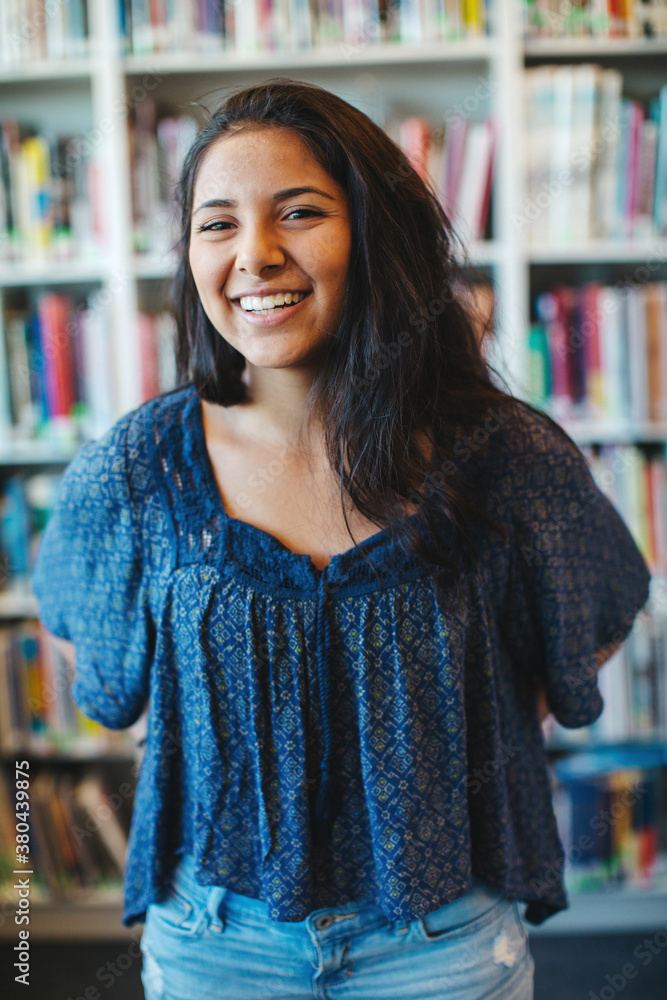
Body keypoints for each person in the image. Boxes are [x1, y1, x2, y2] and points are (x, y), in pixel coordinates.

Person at [31, 79, 651, 1000]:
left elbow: (587, 633)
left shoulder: (503, 453)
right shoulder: (139, 466)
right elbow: (103, 682)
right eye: (217, 224)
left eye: (300, 213)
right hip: (215, 943)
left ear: (374, 233)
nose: (255, 254)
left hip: (439, 945)